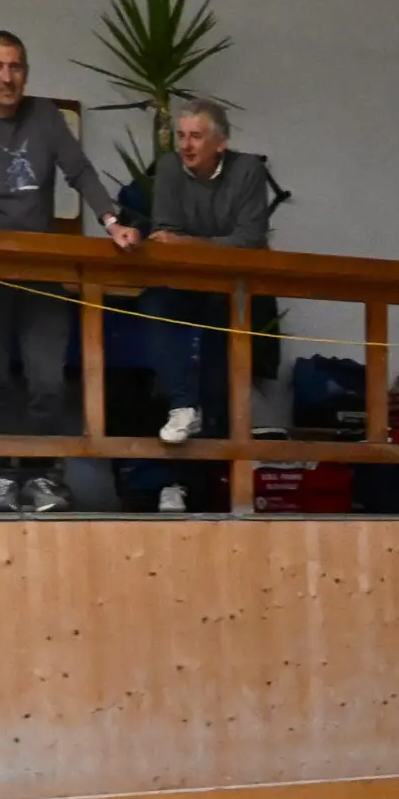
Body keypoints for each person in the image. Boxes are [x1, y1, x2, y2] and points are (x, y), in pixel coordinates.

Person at [0, 29, 131, 514]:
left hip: (40, 266)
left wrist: (111, 222)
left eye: (16, 66)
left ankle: (43, 478)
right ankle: (1, 479)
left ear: (26, 71)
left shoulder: (45, 117)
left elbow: (79, 169)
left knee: (47, 377)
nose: (7, 76)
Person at [136, 98, 273, 512]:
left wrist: (191, 245)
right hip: (180, 285)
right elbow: (164, 237)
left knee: (220, 384)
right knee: (152, 305)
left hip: (231, 292)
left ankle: (220, 491)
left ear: (221, 142)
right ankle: (181, 408)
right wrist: (202, 247)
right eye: (181, 135)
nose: (186, 145)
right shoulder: (168, 170)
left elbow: (249, 242)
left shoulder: (248, 169)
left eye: (196, 136)